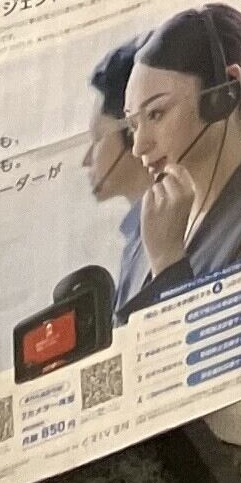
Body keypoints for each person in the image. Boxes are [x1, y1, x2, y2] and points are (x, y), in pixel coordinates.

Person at [119, 3, 241, 312]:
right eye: (133, 125)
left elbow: (236, 336)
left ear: (225, 92)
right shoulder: (146, 228)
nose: (139, 146)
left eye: (156, 113)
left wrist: (168, 262)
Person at [81, 37, 152, 310]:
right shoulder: (138, 233)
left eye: (98, 138)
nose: (86, 160)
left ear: (133, 132)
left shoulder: (164, 230)